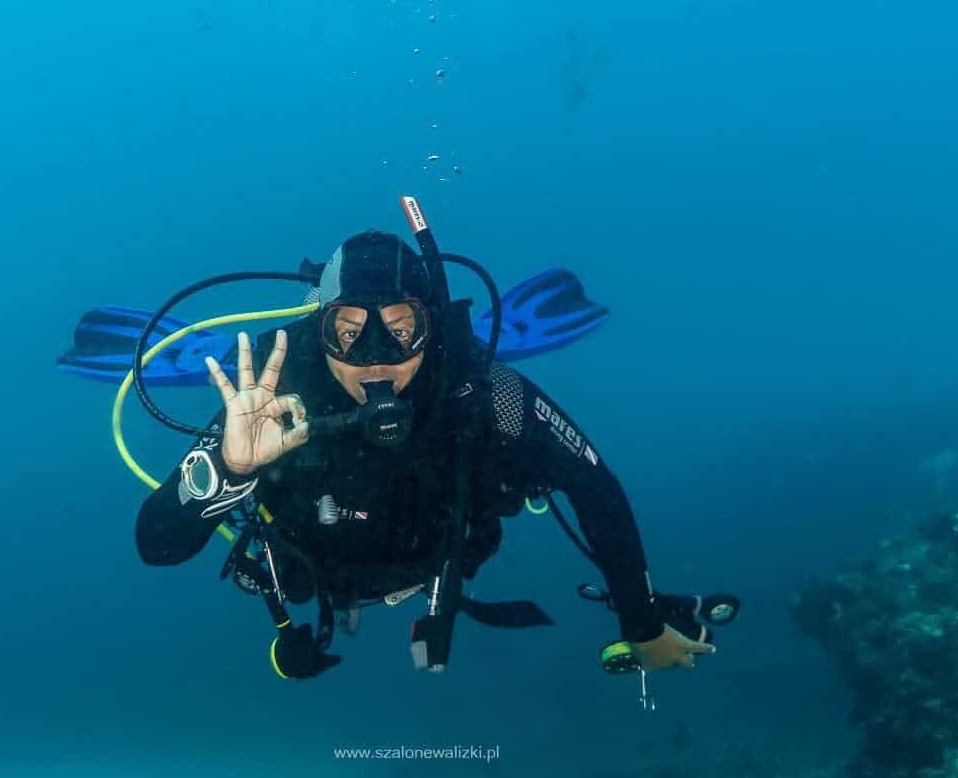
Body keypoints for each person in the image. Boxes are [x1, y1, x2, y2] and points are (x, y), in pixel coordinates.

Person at [134, 225, 716, 680]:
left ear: (431, 327)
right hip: (314, 574)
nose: (376, 355)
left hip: (441, 566)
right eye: (349, 331)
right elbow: (155, 544)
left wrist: (641, 622)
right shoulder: (272, 396)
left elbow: (595, 485)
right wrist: (231, 469)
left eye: (400, 327)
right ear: (319, 331)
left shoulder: (485, 392)